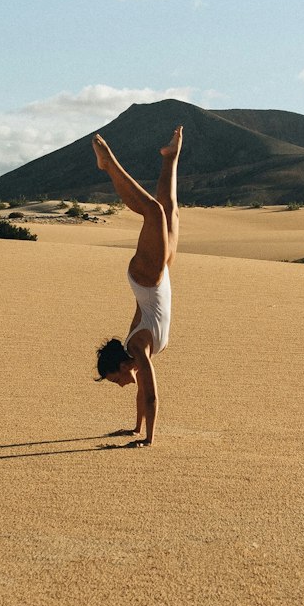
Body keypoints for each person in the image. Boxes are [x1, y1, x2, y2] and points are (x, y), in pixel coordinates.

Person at [92, 126, 182, 446]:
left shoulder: (137, 349)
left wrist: (149, 440)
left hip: (146, 277)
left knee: (153, 213)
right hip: (161, 273)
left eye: (115, 378)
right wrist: (136, 428)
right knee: (167, 208)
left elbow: (153, 394)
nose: (119, 384)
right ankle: (170, 158)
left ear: (121, 365)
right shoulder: (137, 356)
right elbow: (144, 391)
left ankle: (109, 166)